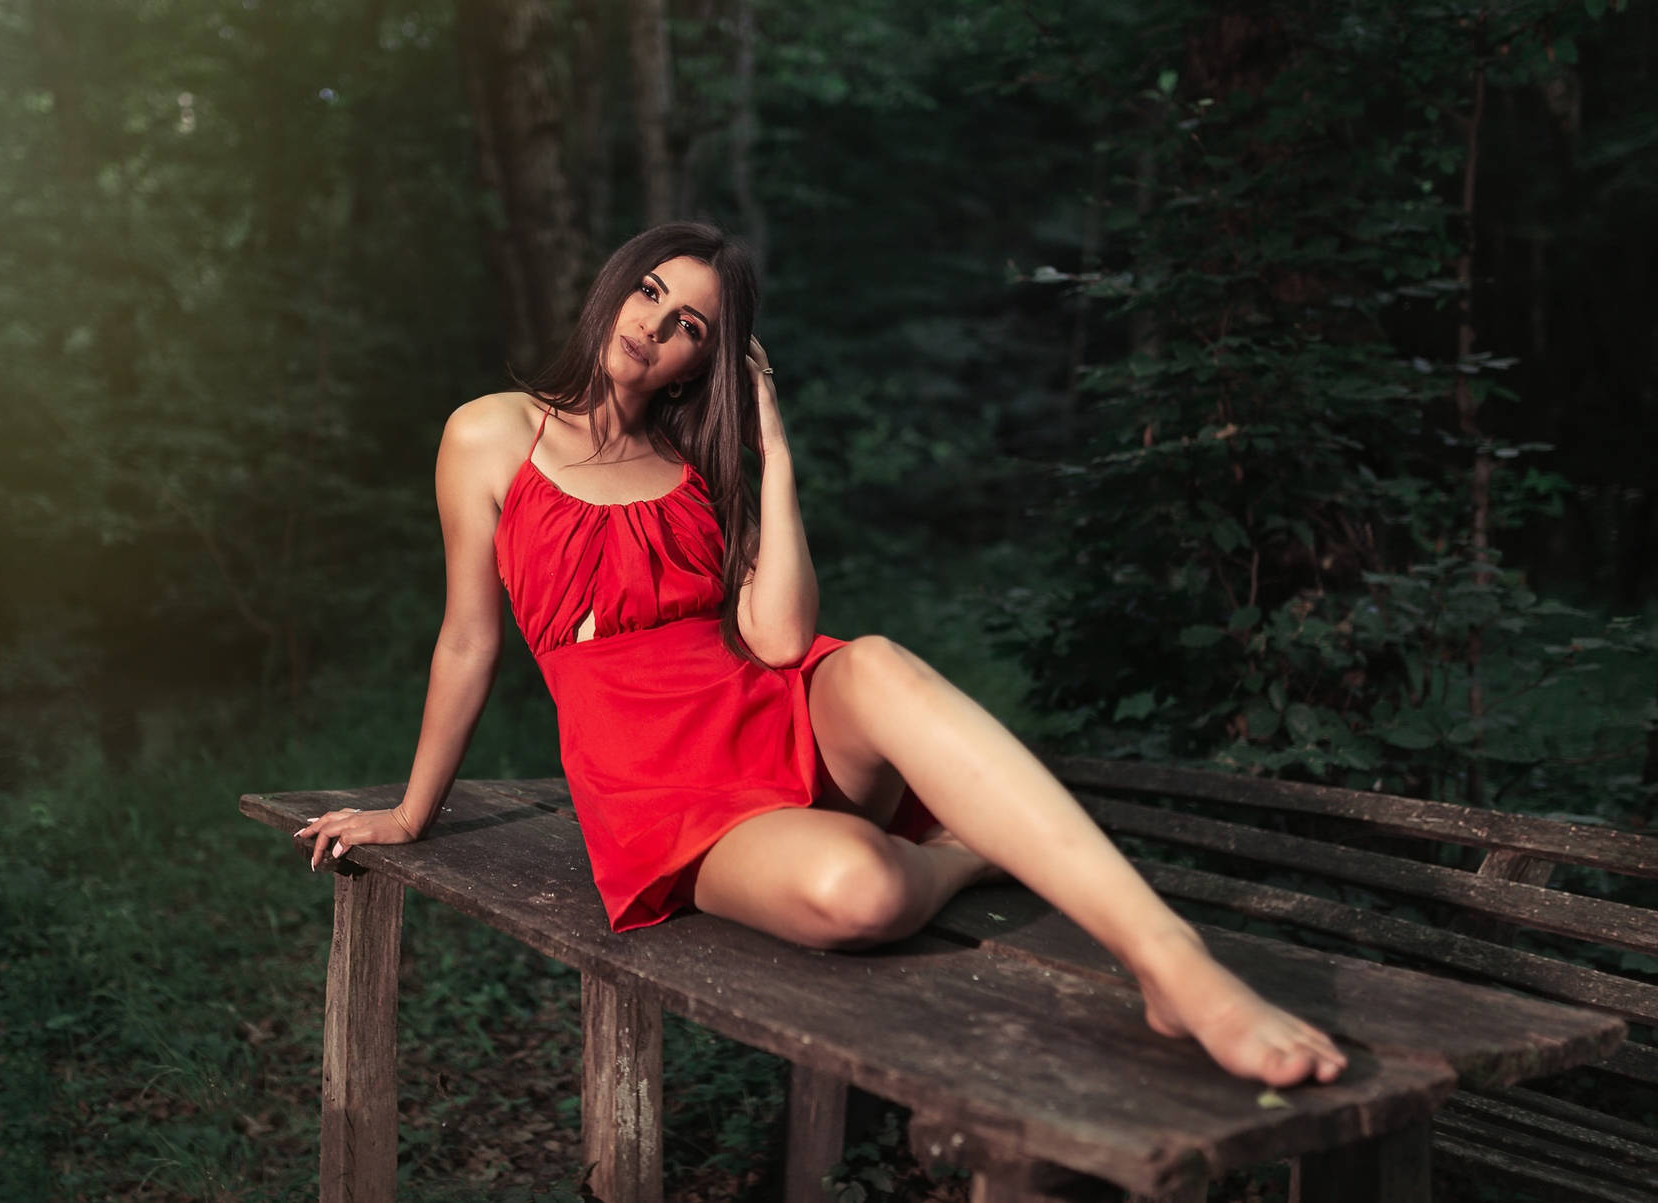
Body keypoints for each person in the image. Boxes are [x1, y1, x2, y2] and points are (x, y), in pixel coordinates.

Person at [295, 222, 1347, 1088]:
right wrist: (410, 813)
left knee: (875, 659)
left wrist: (776, 450)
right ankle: (963, 850)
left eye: (689, 326)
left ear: (709, 357)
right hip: (658, 791)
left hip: (769, 710)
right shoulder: (490, 432)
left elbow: (783, 642)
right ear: (614, 291)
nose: (655, 328)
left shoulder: (701, 470)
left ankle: (1174, 963)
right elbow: (470, 637)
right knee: (863, 898)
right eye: (649, 296)